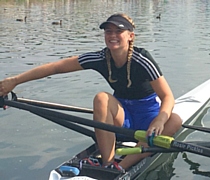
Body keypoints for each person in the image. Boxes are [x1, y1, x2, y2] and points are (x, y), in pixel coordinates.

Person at [0, 13, 182, 171]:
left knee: (174, 119)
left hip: (147, 118)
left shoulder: (142, 60)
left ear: (130, 36)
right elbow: (56, 68)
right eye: (108, 31)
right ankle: (108, 163)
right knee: (101, 98)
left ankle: (122, 167)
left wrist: (159, 120)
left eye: (118, 31)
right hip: (122, 117)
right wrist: (14, 81)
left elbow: (167, 97)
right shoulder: (101, 58)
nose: (112, 35)